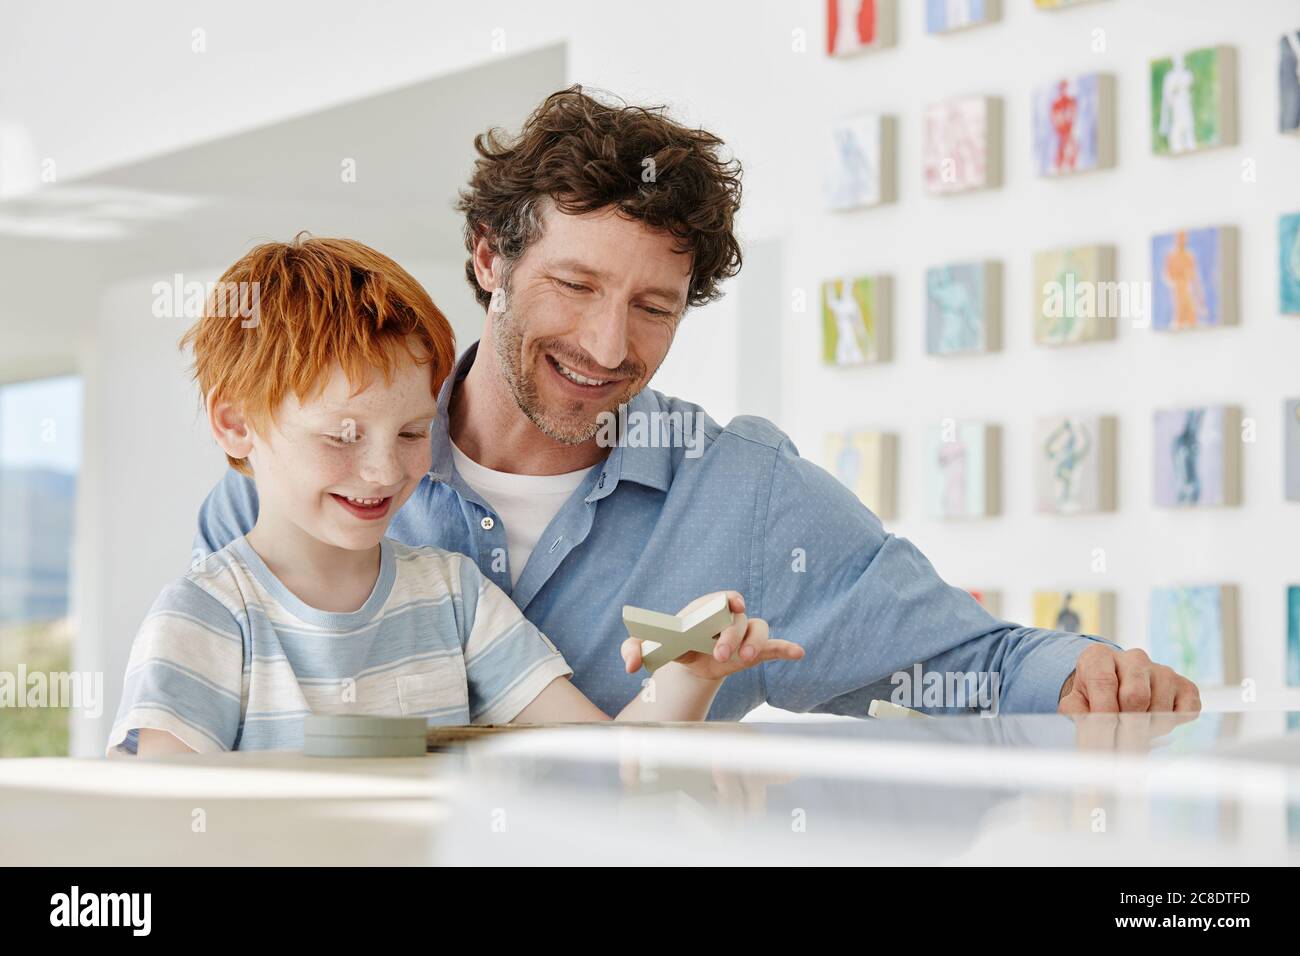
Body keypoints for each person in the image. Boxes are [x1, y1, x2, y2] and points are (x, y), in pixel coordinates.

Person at [194, 86, 1201, 718]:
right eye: (575, 286)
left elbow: (961, 658)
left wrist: (1091, 672)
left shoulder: (745, 497)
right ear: (489, 259)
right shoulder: (290, 489)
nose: (605, 346)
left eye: (653, 306)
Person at [107, 236, 801, 756]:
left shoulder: (451, 597)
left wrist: (688, 679)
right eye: (342, 437)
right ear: (236, 423)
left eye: (412, 432)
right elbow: (168, 834)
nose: (383, 473)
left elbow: (602, 767)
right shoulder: (205, 619)